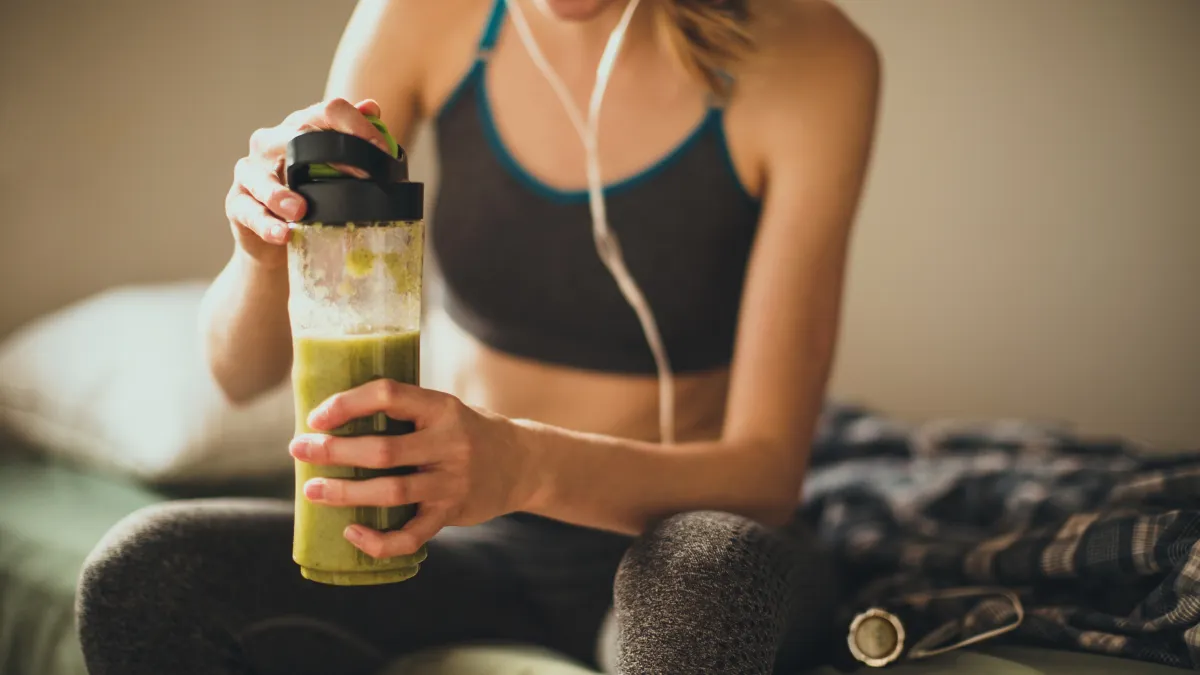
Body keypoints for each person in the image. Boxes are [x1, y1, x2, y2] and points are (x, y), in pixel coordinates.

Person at [76, 0, 879, 672]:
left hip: (680, 530)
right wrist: (262, 251)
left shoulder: (813, 58)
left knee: (710, 579)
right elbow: (238, 373)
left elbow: (768, 473)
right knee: (149, 570)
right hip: (465, 536)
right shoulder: (424, 15)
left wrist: (523, 463)